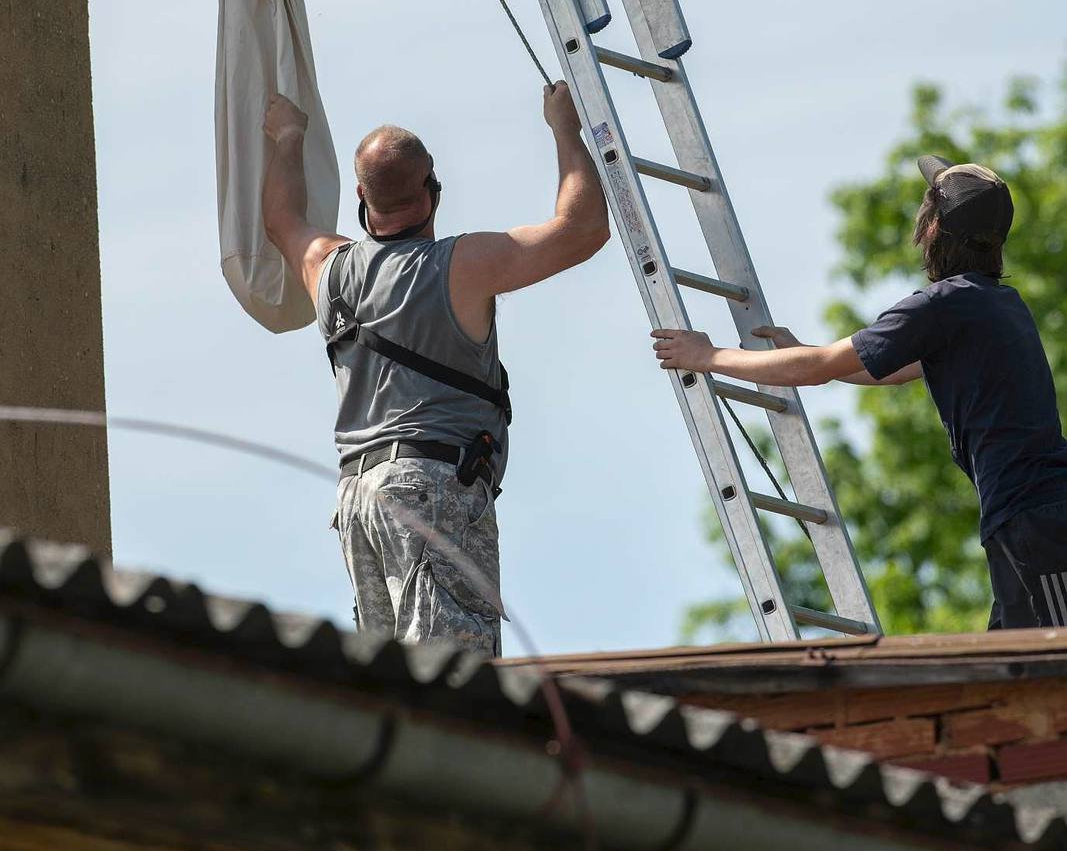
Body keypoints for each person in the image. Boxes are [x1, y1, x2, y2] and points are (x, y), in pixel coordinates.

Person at [261, 81, 609, 653]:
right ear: (431, 192)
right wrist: (564, 127)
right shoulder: (459, 265)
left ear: (361, 197)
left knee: (394, 676)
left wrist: (288, 136)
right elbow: (582, 229)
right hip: (430, 489)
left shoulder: (328, 269)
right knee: (455, 676)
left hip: (358, 497)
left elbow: (280, 219)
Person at [652, 156, 1067, 630]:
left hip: (1038, 520)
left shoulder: (944, 303)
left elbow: (817, 371)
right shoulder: (996, 304)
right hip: (1032, 518)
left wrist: (709, 357)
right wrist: (813, 354)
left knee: (1048, 666)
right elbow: (890, 369)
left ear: (931, 231)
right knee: (1007, 675)